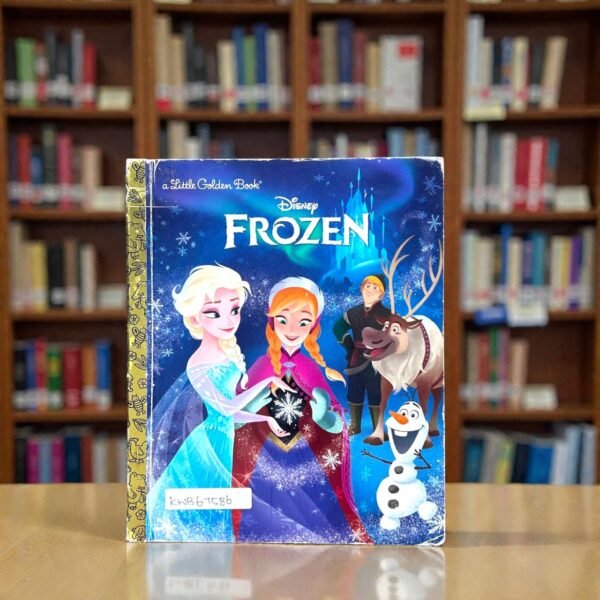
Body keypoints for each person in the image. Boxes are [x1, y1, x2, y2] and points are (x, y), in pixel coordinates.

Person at [146, 265, 289, 542]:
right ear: (195, 318)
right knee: (203, 509)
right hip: (208, 444)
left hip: (224, 439)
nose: (228, 320)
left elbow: (231, 415)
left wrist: (266, 419)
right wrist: (266, 382)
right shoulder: (197, 363)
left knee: (219, 508)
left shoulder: (227, 354)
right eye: (214, 313)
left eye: (234, 310)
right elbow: (224, 408)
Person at [233, 277, 370, 543]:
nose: (292, 329)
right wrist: (254, 403)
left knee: (310, 505)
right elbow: (235, 418)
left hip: (306, 456)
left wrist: (323, 416)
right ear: (272, 321)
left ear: (313, 326)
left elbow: (336, 424)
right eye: (283, 319)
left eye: (303, 322)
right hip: (265, 456)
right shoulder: (261, 365)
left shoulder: (310, 368)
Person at [332, 275, 391, 437]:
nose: (370, 290)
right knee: (354, 390)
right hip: (356, 359)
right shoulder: (353, 312)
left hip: (377, 361)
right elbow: (338, 328)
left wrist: (385, 350)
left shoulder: (388, 314)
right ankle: (355, 425)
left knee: (376, 392)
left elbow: (396, 337)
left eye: (375, 288)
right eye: (367, 286)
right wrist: (350, 347)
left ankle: (378, 428)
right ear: (361, 289)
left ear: (381, 294)